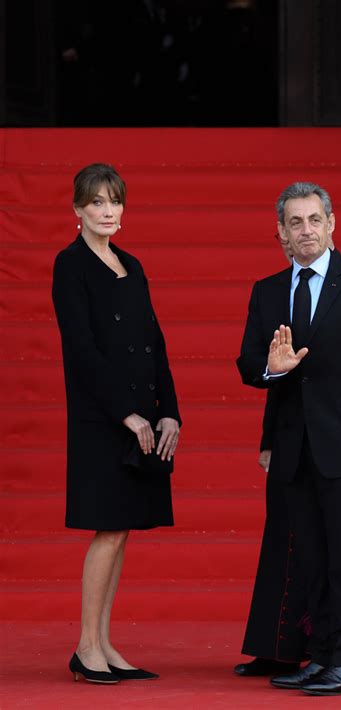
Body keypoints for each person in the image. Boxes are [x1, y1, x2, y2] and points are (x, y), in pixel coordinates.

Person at [237, 182, 341, 696]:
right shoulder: (267, 291)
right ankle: (323, 655)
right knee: (310, 556)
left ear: (332, 223)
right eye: (295, 223)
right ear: (282, 236)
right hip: (295, 449)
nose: (306, 230)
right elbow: (249, 364)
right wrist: (270, 368)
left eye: (314, 219)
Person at [52, 163, 181, 684]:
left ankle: (103, 642)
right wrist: (123, 412)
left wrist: (168, 408)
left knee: (122, 529)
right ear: (77, 210)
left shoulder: (132, 264)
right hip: (103, 419)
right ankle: (85, 647)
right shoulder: (71, 265)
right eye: (97, 202)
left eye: (115, 201)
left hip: (142, 417)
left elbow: (155, 342)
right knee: (107, 528)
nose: (108, 211)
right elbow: (80, 350)